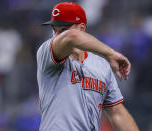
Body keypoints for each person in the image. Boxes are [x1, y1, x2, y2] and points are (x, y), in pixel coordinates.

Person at [37, 2, 139, 131]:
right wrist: (110, 54)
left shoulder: (102, 65)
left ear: (82, 29)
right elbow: (71, 37)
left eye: (63, 30)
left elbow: (117, 113)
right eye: (54, 30)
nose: (57, 37)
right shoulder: (46, 53)